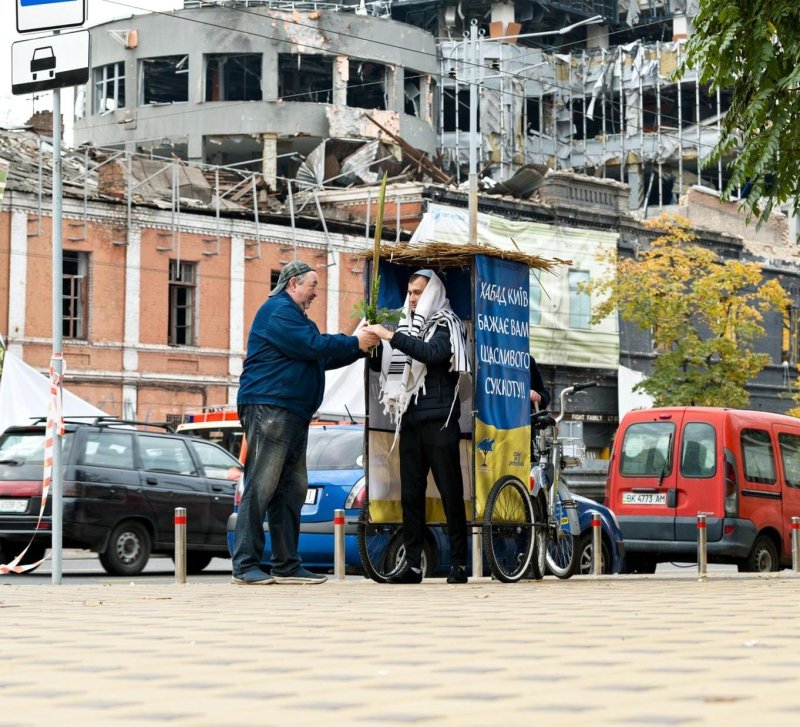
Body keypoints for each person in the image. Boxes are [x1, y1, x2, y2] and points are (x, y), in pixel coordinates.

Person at [232, 260, 378, 586]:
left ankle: (286, 564)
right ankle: (245, 566)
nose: (316, 292)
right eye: (312, 285)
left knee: (291, 490)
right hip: (271, 407)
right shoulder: (278, 312)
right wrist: (356, 342)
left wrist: (360, 346)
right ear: (293, 283)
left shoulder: (297, 318)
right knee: (262, 486)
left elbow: (321, 356)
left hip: (291, 411)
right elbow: (313, 347)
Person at [364, 270, 470, 585]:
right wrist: (372, 347)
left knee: (451, 492)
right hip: (409, 420)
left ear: (433, 292)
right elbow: (383, 367)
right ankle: (412, 564)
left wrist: (390, 336)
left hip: (440, 421)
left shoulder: (446, 324)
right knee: (411, 494)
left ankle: (458, 564)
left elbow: (433, 354)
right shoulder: (404, 328)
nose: (412, 299)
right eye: (410, 293)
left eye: (419, 292)